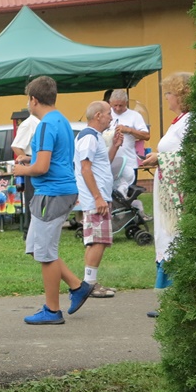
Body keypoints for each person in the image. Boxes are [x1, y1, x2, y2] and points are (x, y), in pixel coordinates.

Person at [13, 76, 93, 325]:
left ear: (33, 100)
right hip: (60, 190)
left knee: (46, 254)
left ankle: (52, 310)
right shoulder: (61, 120)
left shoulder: (45, 125)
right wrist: (30, 159)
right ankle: (77, 286)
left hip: (52, 193)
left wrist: (22, 169)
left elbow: (42, 168)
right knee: (37, 247)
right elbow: (54, 157)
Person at [141, 72, 192, 319]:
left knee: (175, 239)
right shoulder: (180, 121)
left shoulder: (191, 121)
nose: (167, 98)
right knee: (167, 238)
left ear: (181, 95)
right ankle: (171, 301)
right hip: (167, 195)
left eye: (169, 93)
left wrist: (160, 158)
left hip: (177, 197)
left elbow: (192, 156)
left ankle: (177, 302)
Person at [75, 101, 123, 299]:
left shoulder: (95, 137)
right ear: (98, 115)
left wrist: (115, 147)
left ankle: (88, 283)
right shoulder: (89, 137)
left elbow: (102, 164)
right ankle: (89, 285)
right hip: (96, 198)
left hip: (99, 197)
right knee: (98, 241)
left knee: (95, 241)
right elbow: (85, 169)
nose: (111, 117)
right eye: (108, 113)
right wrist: (97, 197)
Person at [108, 88, 152, 216]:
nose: (117, 108)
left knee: (128, 195)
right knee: (112, 194)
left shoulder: (134, 116)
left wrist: (129, 130)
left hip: (129, 162)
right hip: (110, 162)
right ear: (110, 103)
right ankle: (115, 218)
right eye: (115, 105)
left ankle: (130, 220)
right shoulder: (107, 114)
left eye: (120, 105)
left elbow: (146, 135)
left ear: (126, 103)